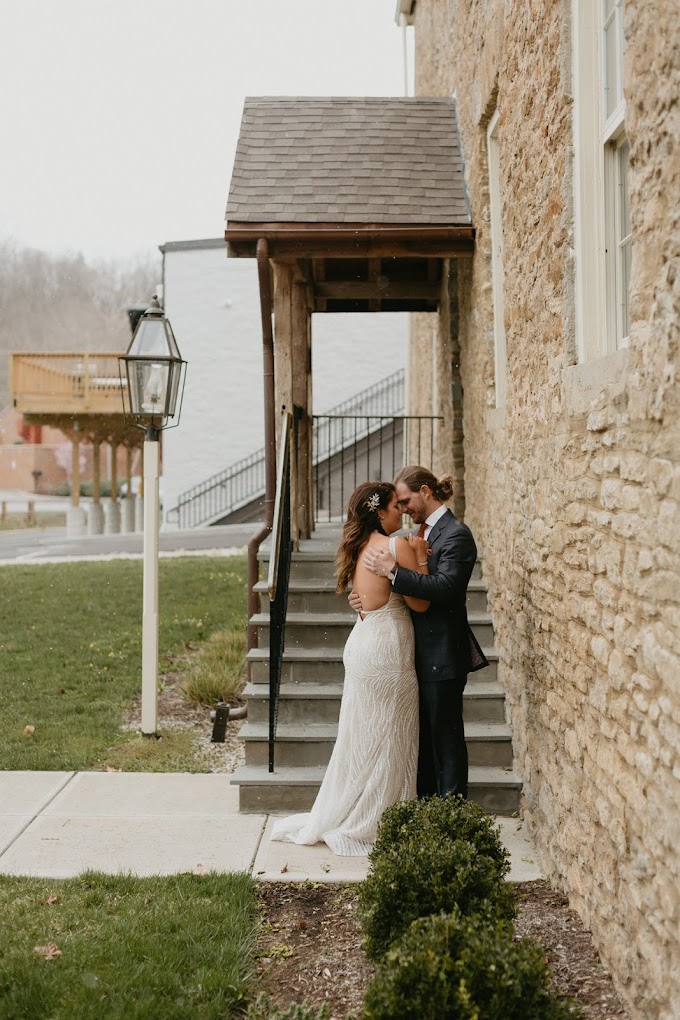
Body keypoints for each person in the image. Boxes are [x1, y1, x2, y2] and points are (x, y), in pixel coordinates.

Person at [271, 481, 430, 856]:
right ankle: (373, 821)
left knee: (363, 737)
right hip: (388, 648)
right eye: (395, 506)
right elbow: (420, 605)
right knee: (391, 739)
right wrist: (421, 556)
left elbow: (365, 598)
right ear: (379, 512)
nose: (400, 512)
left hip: (363, 641)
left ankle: (354, 813)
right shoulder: (398, 546)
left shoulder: (358, 548)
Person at [353, 465, 484, 800]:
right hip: (413, 653)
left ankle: (451, 814)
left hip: (442, 653)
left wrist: (394, 573)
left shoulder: (456, 534)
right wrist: (367, 598)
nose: (404, 507)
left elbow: (446, 588)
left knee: (446, 740)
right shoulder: (421, 534)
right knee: (421, 741)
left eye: (407, 500)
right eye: (398, 503)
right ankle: (425, 809)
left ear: (426, 491)